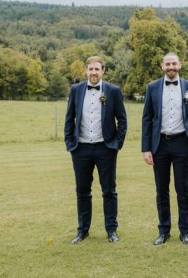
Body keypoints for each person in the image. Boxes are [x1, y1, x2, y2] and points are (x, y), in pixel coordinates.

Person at [64, 56, 127, 244]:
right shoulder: (76, 90)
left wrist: (116, 144)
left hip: (105, 148)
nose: (93, 73)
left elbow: (122, 120)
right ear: (86, 70)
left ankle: (111, 230)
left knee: (109, 191)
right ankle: (82, 230)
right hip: (81, 149)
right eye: (90, 69)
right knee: (82, 191)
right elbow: (69, 118)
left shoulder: (113, 91)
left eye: (97, 69)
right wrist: (70, 144)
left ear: (103, 71)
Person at [142, 53, 188, 246]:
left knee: (183, 189)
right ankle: (164, 231)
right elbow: (147, 118)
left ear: (180, 65)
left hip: (182, 142)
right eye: (168, 64)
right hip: (160, 144)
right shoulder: (152, 87)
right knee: (161, 190)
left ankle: (185, 231)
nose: (171, 67)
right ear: (162, 66)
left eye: (174, 63)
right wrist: (146, 148)